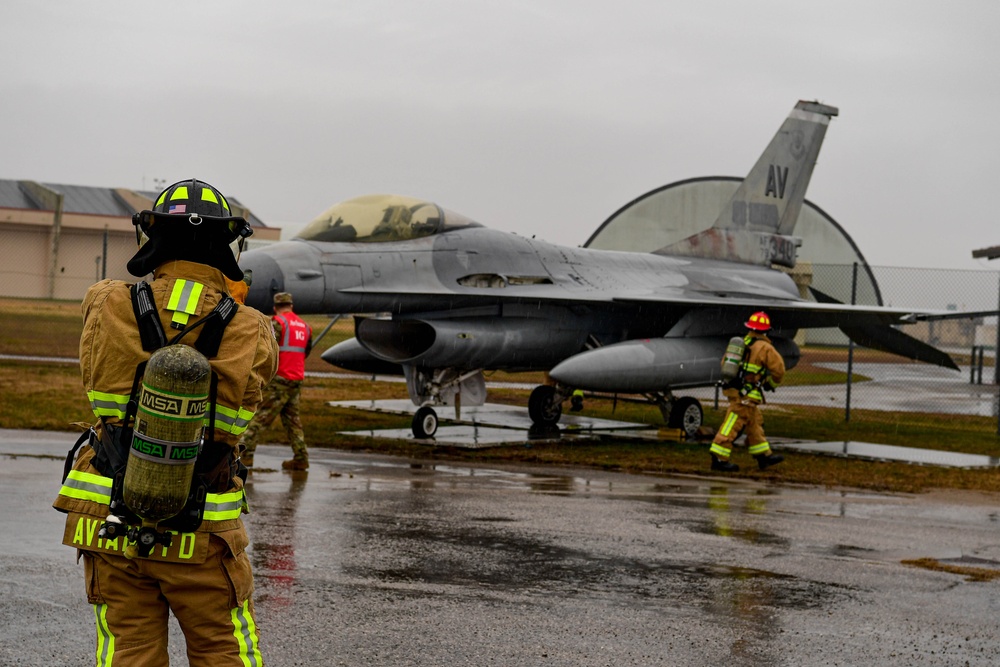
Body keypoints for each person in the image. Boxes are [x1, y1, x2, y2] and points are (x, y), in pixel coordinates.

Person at [53, 178, 278, 666]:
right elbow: (244, 415)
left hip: (110, 524)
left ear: (150, 236)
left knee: (127, 653)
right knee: (225, 653)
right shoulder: (253, 329)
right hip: (202, 535)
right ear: (227, 244)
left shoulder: (105, 302)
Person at [239, 291, 313, 471]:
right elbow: (306, 351)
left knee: (259, 418)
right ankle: (301, 457)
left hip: (280, 378)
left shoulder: (278, 323)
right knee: (292, 421)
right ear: (291, 306)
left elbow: (268, 350)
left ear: (275, 307)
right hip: (296, 378)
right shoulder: (305, 326)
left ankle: (245, 455)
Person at [710, 311, 786, 473]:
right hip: (746, 395)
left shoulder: (740, 344)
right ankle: (719, 457)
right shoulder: (765, 348)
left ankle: (763, 456)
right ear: (765, 330)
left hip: (735, 390)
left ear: (750, 328)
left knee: (754, 423)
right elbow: (779, 371)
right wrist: (770, 384)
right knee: (732, 423)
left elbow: (725, 364)